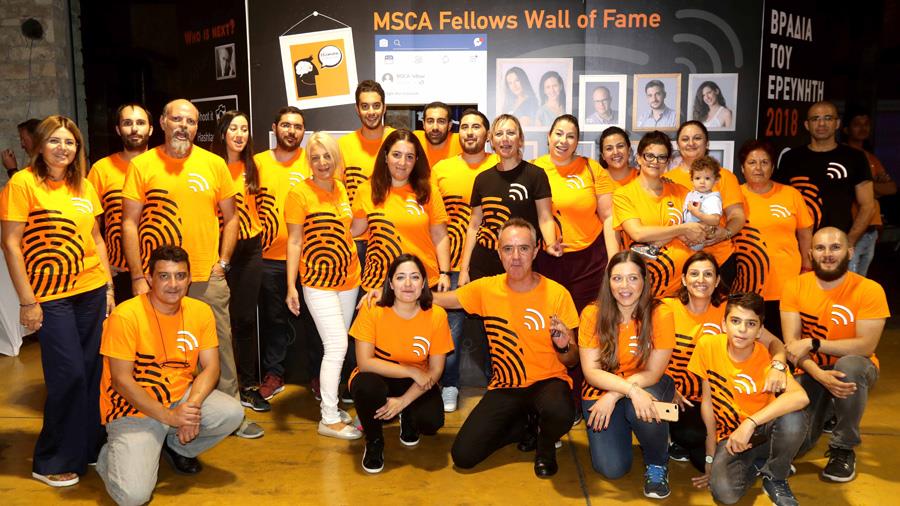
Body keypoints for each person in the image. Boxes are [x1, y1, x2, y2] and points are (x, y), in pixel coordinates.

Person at [121, 99, 263, 438]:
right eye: (177, 119)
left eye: (191, 122)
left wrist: (223, 262)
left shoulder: (214, 164)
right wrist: (139, 276)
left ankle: (232, 415)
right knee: (160, 350)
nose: (184, 126)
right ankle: (161, 416)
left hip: (205, 277)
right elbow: (129, 223)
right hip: (158, 281)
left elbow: (232, 218)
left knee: (221, 349)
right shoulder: (142, 166)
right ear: (162, 122)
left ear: (198, 127)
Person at [0, 115, 114, 487]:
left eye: (69, 142)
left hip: (92, 290)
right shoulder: (22, 183)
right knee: (69, 376)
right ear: (40, 145)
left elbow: (97, 239)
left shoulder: (84, 185)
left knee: (93, 373)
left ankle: (89, 446)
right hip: (51, 297)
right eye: (55, 140)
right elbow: (11, 245)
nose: (63, 148)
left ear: (77, 148)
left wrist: (109, 288)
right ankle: (51, 458)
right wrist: (27, 301)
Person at [95, 245, 244, 506]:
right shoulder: (126, 316)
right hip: (133, 408)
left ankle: (174, 445)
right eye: (164, 276)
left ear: (189, 278)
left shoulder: (200, 311)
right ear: (149, 278)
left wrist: (190, 409)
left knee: (231, 413)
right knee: (133, 497)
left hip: (179, 398)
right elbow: (121, 382)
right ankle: (111, 456)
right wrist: (170, 417)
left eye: (180, 276)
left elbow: (211, 367)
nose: (173, 284)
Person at [436, 218, 579, 478]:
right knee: (463, 456)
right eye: (508, 249)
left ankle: (545, 446)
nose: (515, 257)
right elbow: (441, 300)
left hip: (548, 382)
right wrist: (397, 292)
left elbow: (572, 360)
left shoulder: (558, 294)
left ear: (535, 250)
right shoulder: (486, 288)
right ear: (499, 252)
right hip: (506, 386)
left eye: (523, 248)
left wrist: (563, 346)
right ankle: (526, 426)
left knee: (561, 411)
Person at [664, 252, 789, 473]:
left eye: (708, 274)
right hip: (680, 397)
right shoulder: (667, 309)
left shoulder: (729, 311)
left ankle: (750, 454)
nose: (701, 280)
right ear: (683, 279)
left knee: (706, 455)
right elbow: (647, 352)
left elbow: (774, 342)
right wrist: (666, 385)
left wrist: (778, 365)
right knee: (690, 436)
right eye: (694, 274)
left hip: (719, 397)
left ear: (717, 280)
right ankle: (679, 438)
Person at [782, 227, 890, 483]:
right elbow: (792, 347)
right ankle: (830, 409)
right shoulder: (794, 286)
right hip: (811, 369)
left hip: (856, 368)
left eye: (835, 247)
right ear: (810, 254)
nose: (827, 254)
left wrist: (814, 343)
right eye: (820, 248)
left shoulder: (870, 289)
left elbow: (866, 346)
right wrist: (820, 375)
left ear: (850, 252)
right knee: (796, 445)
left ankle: (843, 447)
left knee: (848, 367)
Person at [689, 292, 809, 506]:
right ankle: (759, 465)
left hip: (763, 432)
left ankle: (775, 476)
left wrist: (750, 423)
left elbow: (800, 397)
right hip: (731, 437)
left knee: (794, 418)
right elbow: (707, 403)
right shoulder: (707, 346)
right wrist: (710, 455)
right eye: (735, 321)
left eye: (751, 324)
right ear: (724, 325)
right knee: (724, 494)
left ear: (760, 331)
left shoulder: (768, 359)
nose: (742, 329)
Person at [578, 251, 676, 499]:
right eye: (617, 278)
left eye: (633, 278)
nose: (625, 286)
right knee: (612, 469)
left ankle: (657, 462)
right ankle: (634, 426)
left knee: (640, 406)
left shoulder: (660, 313)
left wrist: (617, 394)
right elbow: (591, 371)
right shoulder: (592, 313)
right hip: (600, 389)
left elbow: (653, 372)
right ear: (608, 281)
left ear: (644, 281)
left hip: (647, 383)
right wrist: (626, 390)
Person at [284, 132, 362, 440]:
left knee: (338, 345)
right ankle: (329, 418)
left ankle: (332, 406)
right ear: (309, 161)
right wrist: (291, 286)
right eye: (315, 157)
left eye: (327, 156)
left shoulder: (341, 188)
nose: (322, 163)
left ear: (336, 158)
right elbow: (294, 242)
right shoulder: (299, 194)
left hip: (349, 278)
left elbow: (349, 229)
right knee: (337, 346)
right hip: (318, 281)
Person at [349, 254, 453, 473]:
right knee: (366, 386)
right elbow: (365, 363)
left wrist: (403, 402)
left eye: (414, 277)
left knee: (431, 422)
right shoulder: (372, 308)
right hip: (379, 374)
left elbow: (436, 369)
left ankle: (408, 416)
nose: (407, 284)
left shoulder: (437, 315)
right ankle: (374, 441)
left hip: (415, 382)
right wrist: (410, 370)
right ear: (390, 283)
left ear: (423, 283)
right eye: (400, 277)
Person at [430, 108, 498, 411]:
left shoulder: (500, 164)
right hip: (453, 264)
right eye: (465, 127)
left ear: (487, 134)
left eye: (477, 127)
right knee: (451, 330)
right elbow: (433, 220)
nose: (470, 132)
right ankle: (450, 385)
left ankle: (501, 384)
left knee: (497, 328)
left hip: (494, 263)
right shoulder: (442, 169)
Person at [211, 110, 269, 413]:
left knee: (245, 319)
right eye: (233, 128)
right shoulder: (211, 166)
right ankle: (219, 386)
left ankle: (248, 386)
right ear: (223, 133)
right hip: (219, 249)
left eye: (244, 129)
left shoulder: (253, 166)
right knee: (218, 323)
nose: (239, 134)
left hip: (250, 249)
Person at [252, 106, 311, 402]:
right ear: (275, 128)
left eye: (297, 126)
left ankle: (319, 375)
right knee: (274, 321)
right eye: (286, 125)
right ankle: (274, 373)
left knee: (315, 321)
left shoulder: (313, 161)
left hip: (310, 259)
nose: (291, 131)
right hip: (270, 259)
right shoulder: (258, 162)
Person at [458, 114, 557, 284]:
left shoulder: (536, 175)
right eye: (499, 134)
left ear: (520, 140)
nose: (505, 139)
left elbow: (545, 218)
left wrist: (551, 243)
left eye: (510, 133)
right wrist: (464, 269)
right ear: (492, 141)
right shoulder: (482, 179)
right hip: (483, 264)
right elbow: (474, 226)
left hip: (522, 262)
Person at [351, 129, 451, 294]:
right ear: (385, 156)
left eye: (409, 157)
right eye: (396, 155)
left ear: (416, 160)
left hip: (422, 282)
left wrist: (445, 273)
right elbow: (354, 230)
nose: (402, 162)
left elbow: (440, 236)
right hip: (378, 284)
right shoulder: (366, 190)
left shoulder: (429, 191)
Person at [531, 114, 613, 311]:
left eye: (570, 136)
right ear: (549, 136)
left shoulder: (592, 168)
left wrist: (613, 260)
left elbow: (609, 217)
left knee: (588, 319)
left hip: (590, 260)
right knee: (550, 318)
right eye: (559, 134)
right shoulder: (532, 168)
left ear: (577, 142)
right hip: (545, 258)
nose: (563, 141)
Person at [734, 139, 812, 339]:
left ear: (773, 167)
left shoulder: (791, 194)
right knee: (749, 342)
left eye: (764, 162)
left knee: (788, 341)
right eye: (752, 162)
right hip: (747, 286)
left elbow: (805, 234)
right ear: (742, 168)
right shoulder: (733, 197)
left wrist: (807, 268)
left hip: (787, 284)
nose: (758, 168)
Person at [612, 130, 706, 297]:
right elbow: (638, 233)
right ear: (639, 158)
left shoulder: (682, 192)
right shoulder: (623, 194)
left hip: (686, 288)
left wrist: (660, 237)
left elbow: (700, 232)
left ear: (667, 162)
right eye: (649, 156)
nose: (655, 162)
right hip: (646, 288)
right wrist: (682, 229)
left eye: (661, 157)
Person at [776, 101, 875, 258]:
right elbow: (778, 203)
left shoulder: (855, 157)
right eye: (815, 119)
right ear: (807, 125)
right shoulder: (791, 158)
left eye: (828, 118)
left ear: (837, 123)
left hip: (838, 248)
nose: (821, 123)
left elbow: (868, 205)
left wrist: (849, 242)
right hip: (798, 249)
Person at [665, 121, 745, 285]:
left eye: (697, 138)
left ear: (707, 143)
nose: (691, 143)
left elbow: (737, 215)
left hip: (720, 260)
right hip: (679, 263)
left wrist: (726, 232)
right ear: (678, 145)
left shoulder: (724, 176)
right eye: (685, 139)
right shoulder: (666, 179)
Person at [88, 103, 154, 304]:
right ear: (118, 129)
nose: (134, 129)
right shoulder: (101, 170)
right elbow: (90, 225)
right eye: (127, 123)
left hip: (165, 270)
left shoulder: (164, 165)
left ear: (151, 129)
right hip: (120, 271)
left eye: (140, 123)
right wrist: (103, 264)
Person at [842, 109, 897, 275]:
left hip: (871, 228)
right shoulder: (843, 154)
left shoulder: (871, 157)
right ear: (845, 129)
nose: (863, 128)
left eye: (866, 124)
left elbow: (891, 188)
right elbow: (848, 188)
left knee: (861, 282)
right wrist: (872, 187)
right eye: (857, 124)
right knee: (849, 279)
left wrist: (865, 186)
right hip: (852, 227)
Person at [340, 80, 395, 206]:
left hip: (391, 216)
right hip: (355, 217)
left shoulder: (398, 141)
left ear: (384, 108)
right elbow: (335, 190)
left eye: (376, 106)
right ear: (357, 109)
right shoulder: (342, 145)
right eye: (365, 106)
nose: (371, 112)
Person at [598, 126, 638, 256]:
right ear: (603, 156)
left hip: (639, 251)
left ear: (629, 150)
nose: (615, 152)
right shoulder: (596, 179)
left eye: (620, 146)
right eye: (609, 148)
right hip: (602, 253)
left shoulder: (642, 178)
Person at [682, 156, 723, 251]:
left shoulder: (712, 199)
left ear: (716, 180)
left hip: (697, 239)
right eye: (697, 178)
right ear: (692, 180)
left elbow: (715, 220)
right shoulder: (691, 194)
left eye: (707, 178)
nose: (702, 182)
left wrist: (697, 213)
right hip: (685, 235)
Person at [414, 101, 461, 168]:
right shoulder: (415, 139)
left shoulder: (460, 141)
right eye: (430, 121)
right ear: (423, 124)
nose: (435, 127)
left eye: (441, 121)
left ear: (449, 125)